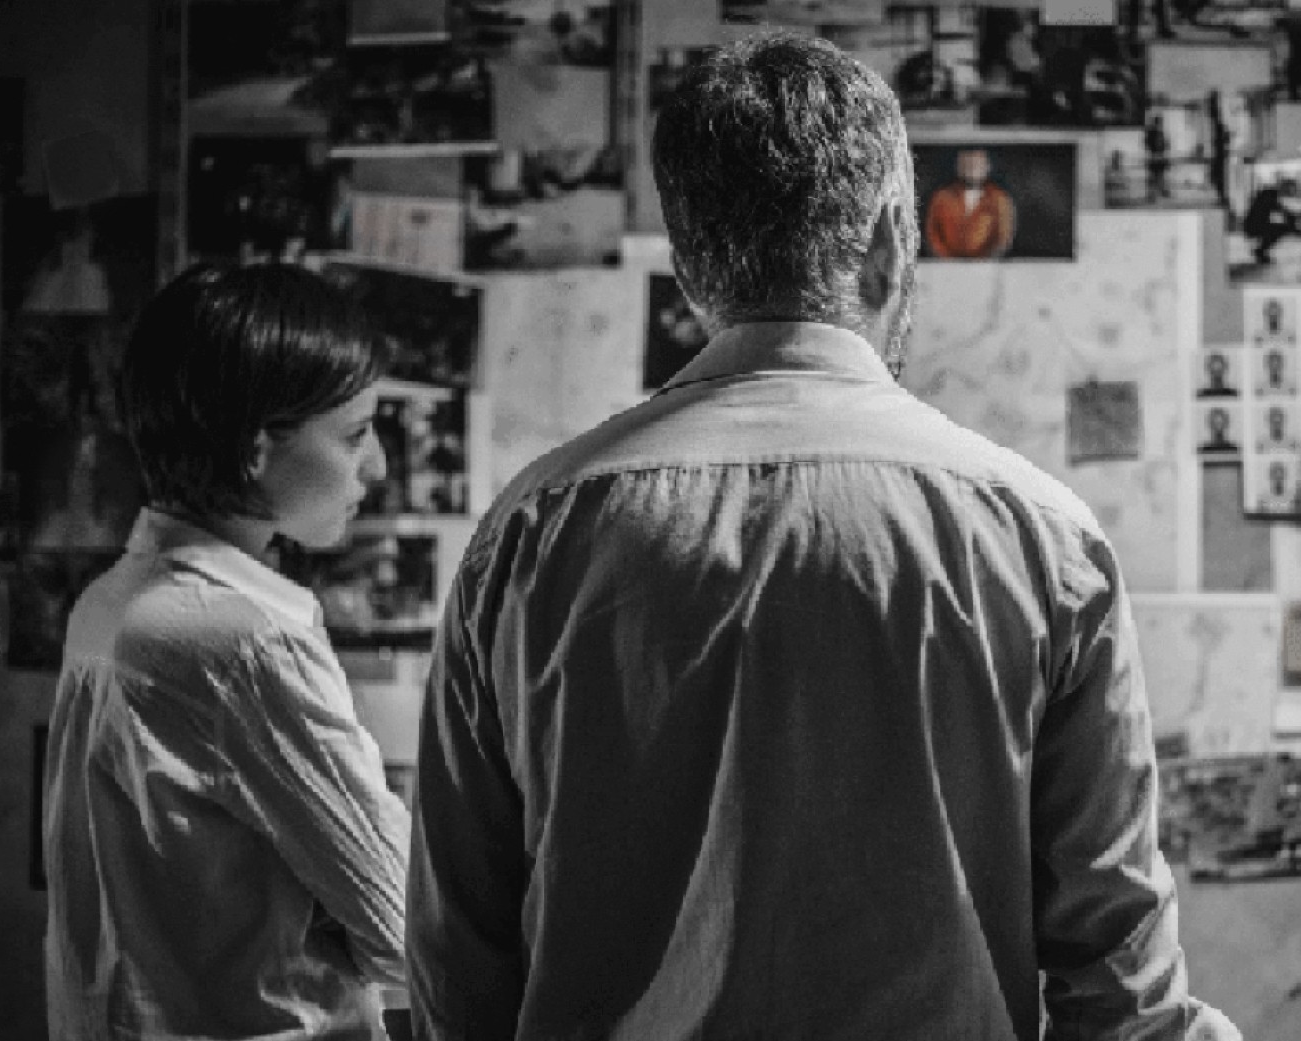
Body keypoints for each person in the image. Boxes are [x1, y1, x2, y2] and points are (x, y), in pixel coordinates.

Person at [407, 33, 1237, 1041]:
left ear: (689, 267)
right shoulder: (1040, 540)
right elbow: (1121, 995)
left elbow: (459, 970)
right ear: (890, 236)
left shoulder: (527, 539)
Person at [41, 264, 408, 1039]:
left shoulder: (109, 603)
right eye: (355, 434)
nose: (376, 467)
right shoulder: (241, 640)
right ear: (253, 448)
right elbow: (406, 924)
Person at [925, 147, 1017, 259]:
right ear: (958, 167)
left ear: (987, 167)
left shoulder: (999, 199)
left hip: (986, 268)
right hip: (947, 267)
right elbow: (932, 233)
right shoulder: (942, 197)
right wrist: (946, 261)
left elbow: (1004, 237)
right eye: (967, 164)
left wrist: (984, 262)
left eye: (977, 164)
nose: (972, 168)